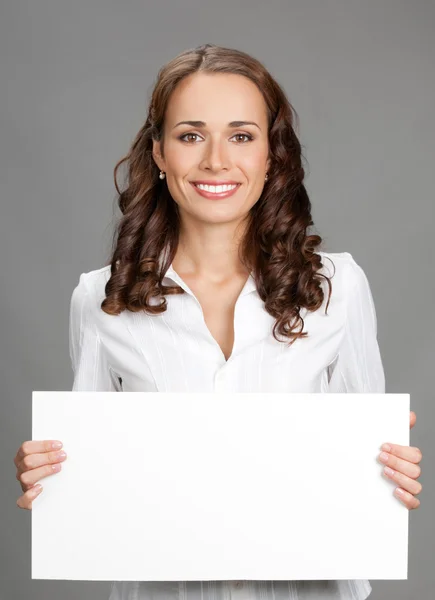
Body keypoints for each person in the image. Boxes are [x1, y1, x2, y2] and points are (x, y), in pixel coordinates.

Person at [14, 44, 423, 600]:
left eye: (241, 135)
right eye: (190, 135)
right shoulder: (100, 297)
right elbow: (87, 471)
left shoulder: (338, 287)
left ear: (271, 155)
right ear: (159, 152)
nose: (215, 161)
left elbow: (367, 461)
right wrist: (53, 475)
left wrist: (389, 468)